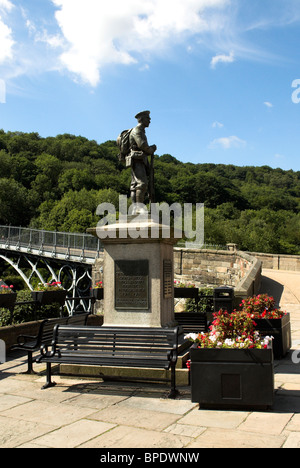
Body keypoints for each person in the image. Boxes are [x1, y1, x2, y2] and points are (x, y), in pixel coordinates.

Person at [127, 111, 157, 207]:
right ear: (142, 119)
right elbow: (142, 145)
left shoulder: (140, 130)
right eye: (148, 119)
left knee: (135, 185)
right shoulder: (137, 130)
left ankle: (135, 209)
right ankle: (138, 210)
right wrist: (152, 149)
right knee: (141, 184)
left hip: (138, 159)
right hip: (138, 159)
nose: (150, 121)